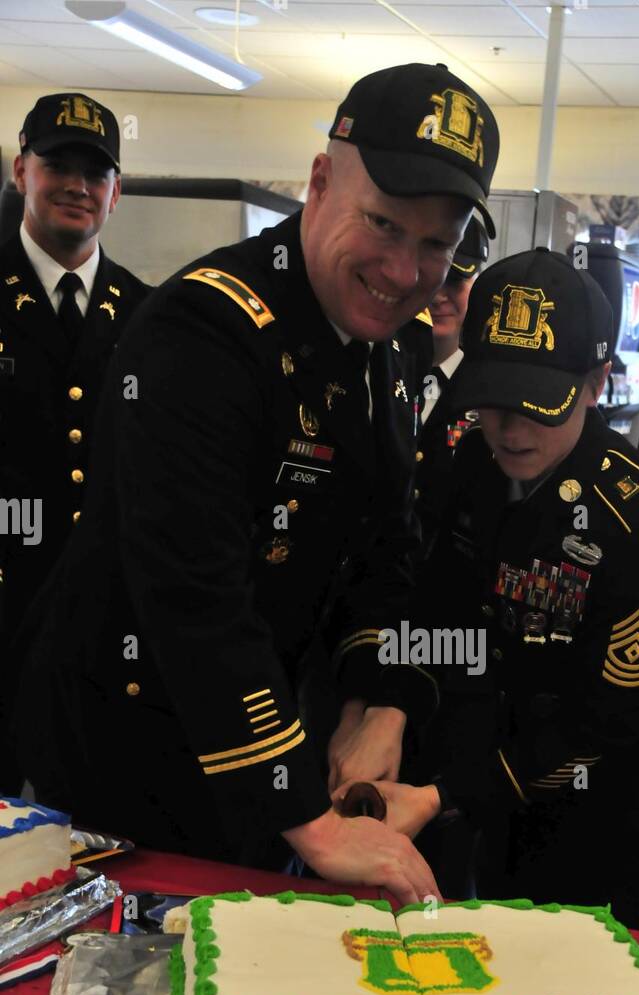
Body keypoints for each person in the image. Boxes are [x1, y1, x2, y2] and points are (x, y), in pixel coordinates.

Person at [11, 63, 500, 906]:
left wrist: (380, 700)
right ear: (318, 183)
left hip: (260, 741)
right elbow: (195, 594)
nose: (401, 269)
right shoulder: (202, 329)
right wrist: (306, 817)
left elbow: (388, 553)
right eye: (382, 223)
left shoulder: (383, 351)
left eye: (434, 245)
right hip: (124, 759)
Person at [345, 249, 639, 931]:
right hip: (505, 814)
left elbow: (602, 727)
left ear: (595, 382)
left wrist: (441, 794)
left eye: (536, 406)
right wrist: (389, 706)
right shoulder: (471, 465)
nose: (510, 429)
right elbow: (440, 610)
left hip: (626, 833)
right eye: (493, 401)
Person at [0, 92, 149, 781]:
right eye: (59, 165)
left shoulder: (152, 316)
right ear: (20, 169)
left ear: (116, 193)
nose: (77, 188)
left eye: (96, 174)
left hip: (99, 635)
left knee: (86, 852)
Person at [413, 215, 488, 553]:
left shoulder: (488, 390)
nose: (438, 296)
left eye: (455, 281)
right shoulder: (377, 364)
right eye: (428, 279)